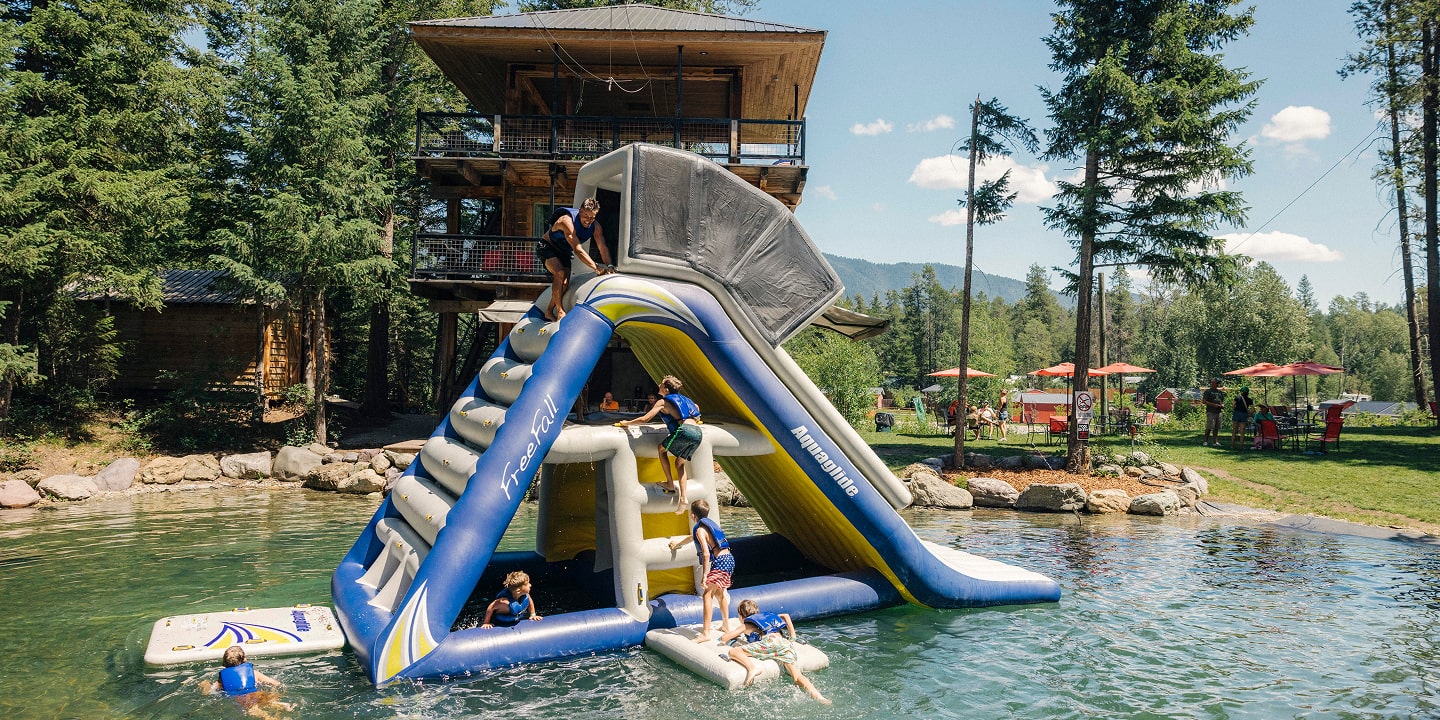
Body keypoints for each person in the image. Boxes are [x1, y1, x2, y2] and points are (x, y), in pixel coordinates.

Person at [718, 598, 830, 704]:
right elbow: (786, 616)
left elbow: (724, 638)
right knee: (796, 677)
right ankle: (817, 695)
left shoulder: (746, 624)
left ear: (741, 615)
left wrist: (728, 632)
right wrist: (793, 637)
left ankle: (752, 668)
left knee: (734, 652)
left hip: (770, 642)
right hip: (785, 644)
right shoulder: (768, 618)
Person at [619, 376, 702, 513]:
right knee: (680, 464)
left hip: (685, 430)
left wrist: (626, 423)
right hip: (698, 434)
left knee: (661, 449)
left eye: (661, 384)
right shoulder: (688, 400)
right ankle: (683, 498)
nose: (658, 385)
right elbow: (697, 409)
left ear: (666, 389)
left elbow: (645, 419)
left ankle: (670, 483)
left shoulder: (662, 402)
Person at [536, 197, 615, 322]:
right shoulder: (566, 221)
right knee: (560, 273)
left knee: (566, 284)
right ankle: (560, 311)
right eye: (586, 216)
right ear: (580, 211)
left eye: (592, 217)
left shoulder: (596, 227)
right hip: (548, 246)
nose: (588, 220)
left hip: (564, 251)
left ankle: (549, 311)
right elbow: (578, 249)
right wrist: (596, 267)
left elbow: (602, 247)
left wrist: (609, 265)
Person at [669, 499, 734, 643]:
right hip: (729, 558)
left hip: (721, 562)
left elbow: (705, 553)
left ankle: (705, 633)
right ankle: (725, 625)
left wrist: (704, 576)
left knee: (707, 595)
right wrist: (678, 545)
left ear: (693, 515)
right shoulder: (707, 527)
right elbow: (693, 538)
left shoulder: (700, 529)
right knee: (720, 593)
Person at [200, 645, 293, 719]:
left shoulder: (223, 679)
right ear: (244, 659)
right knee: (265, 702)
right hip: (258, 694)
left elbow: (211, 690)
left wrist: (205, 684)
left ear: (224, 662)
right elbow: (275, 683)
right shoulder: (253, 673)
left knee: (258, 713)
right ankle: (281, 705)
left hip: (242, 699)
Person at [1201, 378, 1225, 447]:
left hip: (1219, 412)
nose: (1218, 384)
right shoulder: (1208, 391)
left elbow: (1222, 401)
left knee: (1216, 427)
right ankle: (1205, 441)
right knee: (1209, 427)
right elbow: (1204, 401)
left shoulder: (1220, 392)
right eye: (1216, 383)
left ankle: (1215, 442)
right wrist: (1214, 405)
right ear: (1213, 383)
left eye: (1218, 383)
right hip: (1211, 411)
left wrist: (1222, 405)